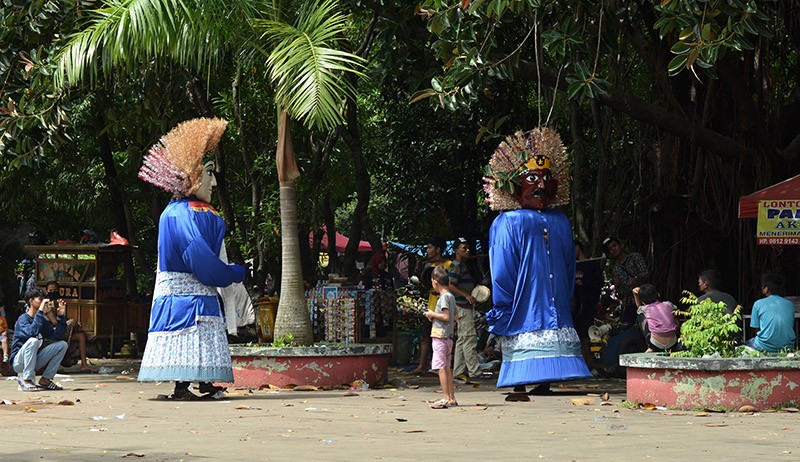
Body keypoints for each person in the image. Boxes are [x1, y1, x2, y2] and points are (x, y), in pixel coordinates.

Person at [137, 117, 246, 400]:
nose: (212, 182)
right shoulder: (182, 215)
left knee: (201, 335)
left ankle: (204, 383)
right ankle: (183, 386)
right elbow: (201, 260)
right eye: (208, 174)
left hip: (191, 296)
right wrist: (232, 273)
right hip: (187, 295)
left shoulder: (183, 213)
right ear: (193, 177)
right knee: (190, 335)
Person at [482, 127, 591, 397]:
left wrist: (567, 294)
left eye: (546, 178)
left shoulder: (560, 221)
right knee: (523, 331)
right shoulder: (508, 221)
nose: (541, 185)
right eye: (532, 178)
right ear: (516, 185)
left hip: (554, 296)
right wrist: (504, 302)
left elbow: (568, 265)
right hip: (524, 298)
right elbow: (502, 268)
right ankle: (520, 381)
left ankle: (545, 380)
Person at [10, 287, 68, 391]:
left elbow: (57, 336)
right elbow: (32, 333)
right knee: (33, 340)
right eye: (40, 299)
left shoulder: (42, 320)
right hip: (18, 363)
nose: (43, 302)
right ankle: (26, 380)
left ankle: (46, 379)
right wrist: (40, 311)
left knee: (62, 345)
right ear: (31, 301)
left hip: (34, 361)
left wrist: (60, 317)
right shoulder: (23, 319)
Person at [410, 236, 451, 375]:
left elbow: (451, 285)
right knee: (425, 336)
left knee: (442, 338)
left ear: (438, 249)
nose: (427, 250)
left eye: (430, 247)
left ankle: (441, 367)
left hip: (443, 306)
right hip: (431, 305)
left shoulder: (449, 265)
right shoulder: (428, 265)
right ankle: (422, 365)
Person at [448, 237, 481, 383]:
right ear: (456, 250)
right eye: (463, 248)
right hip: (462, 306)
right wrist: (466, 295)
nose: (467, 250)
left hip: (461, 306)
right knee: (469, 339)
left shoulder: (461, 265)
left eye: (468, 248)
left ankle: (458, 371)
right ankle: (474, 371)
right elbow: (451, 285)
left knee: (462, 339)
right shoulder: (457, 266)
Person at [45, 280, 96, 372]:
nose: (53, 292)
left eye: (55, 290)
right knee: (73, 323)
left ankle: (84, 364)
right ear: (46, 291)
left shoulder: (59, 303)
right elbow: (54, 322)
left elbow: (63, 318)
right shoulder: (46, 304)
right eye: (50, 290)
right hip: (52, 332)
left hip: (61, 329)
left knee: (80, 336)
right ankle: (85, 333)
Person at [423, 266, 456, 408]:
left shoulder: (443, 298)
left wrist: (432, 314)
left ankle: (446, 397)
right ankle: (451, 397)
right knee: (447, 367)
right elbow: (455, 317)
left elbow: (446, 316)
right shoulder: (451, 296)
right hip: (448, 336)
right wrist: (436, 318)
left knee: (440, 368)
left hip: (440, 336)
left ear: (435, 281)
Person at [603, 237, 649, 325]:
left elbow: (646, 274)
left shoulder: (635, 257)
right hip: (631, 302)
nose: (613, 249)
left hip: (646, 296)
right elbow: (621, 292)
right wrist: (618, 285)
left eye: (614, 245)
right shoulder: (616, 269)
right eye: (610, 249)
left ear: (620, 245)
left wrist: (637, 280)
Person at [746, 273, 796, 353]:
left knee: (747, 343)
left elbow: (756, 329)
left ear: (766, 289)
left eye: (762, 286)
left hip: (763, 346)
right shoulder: (790, 304)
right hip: (787, 346)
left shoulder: (758, 304)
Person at [573, 240, 603, 359]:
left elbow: (599, 283)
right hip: (575, 307)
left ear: (577, 248)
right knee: (577, 334)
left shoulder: (592, 264)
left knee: (588, 334)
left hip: (588, 304)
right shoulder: (570, 266)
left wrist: (584, 283)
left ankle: (592, 361)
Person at [632, 284, 679, 352]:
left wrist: (635, 294)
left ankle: (649, 345)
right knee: (675, 313)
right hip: (673, 343)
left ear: (643, 301)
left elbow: (639, 307)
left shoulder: (645, 309)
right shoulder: (669, 304)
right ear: (658, 294)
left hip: (655, 345)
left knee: (641, 315)